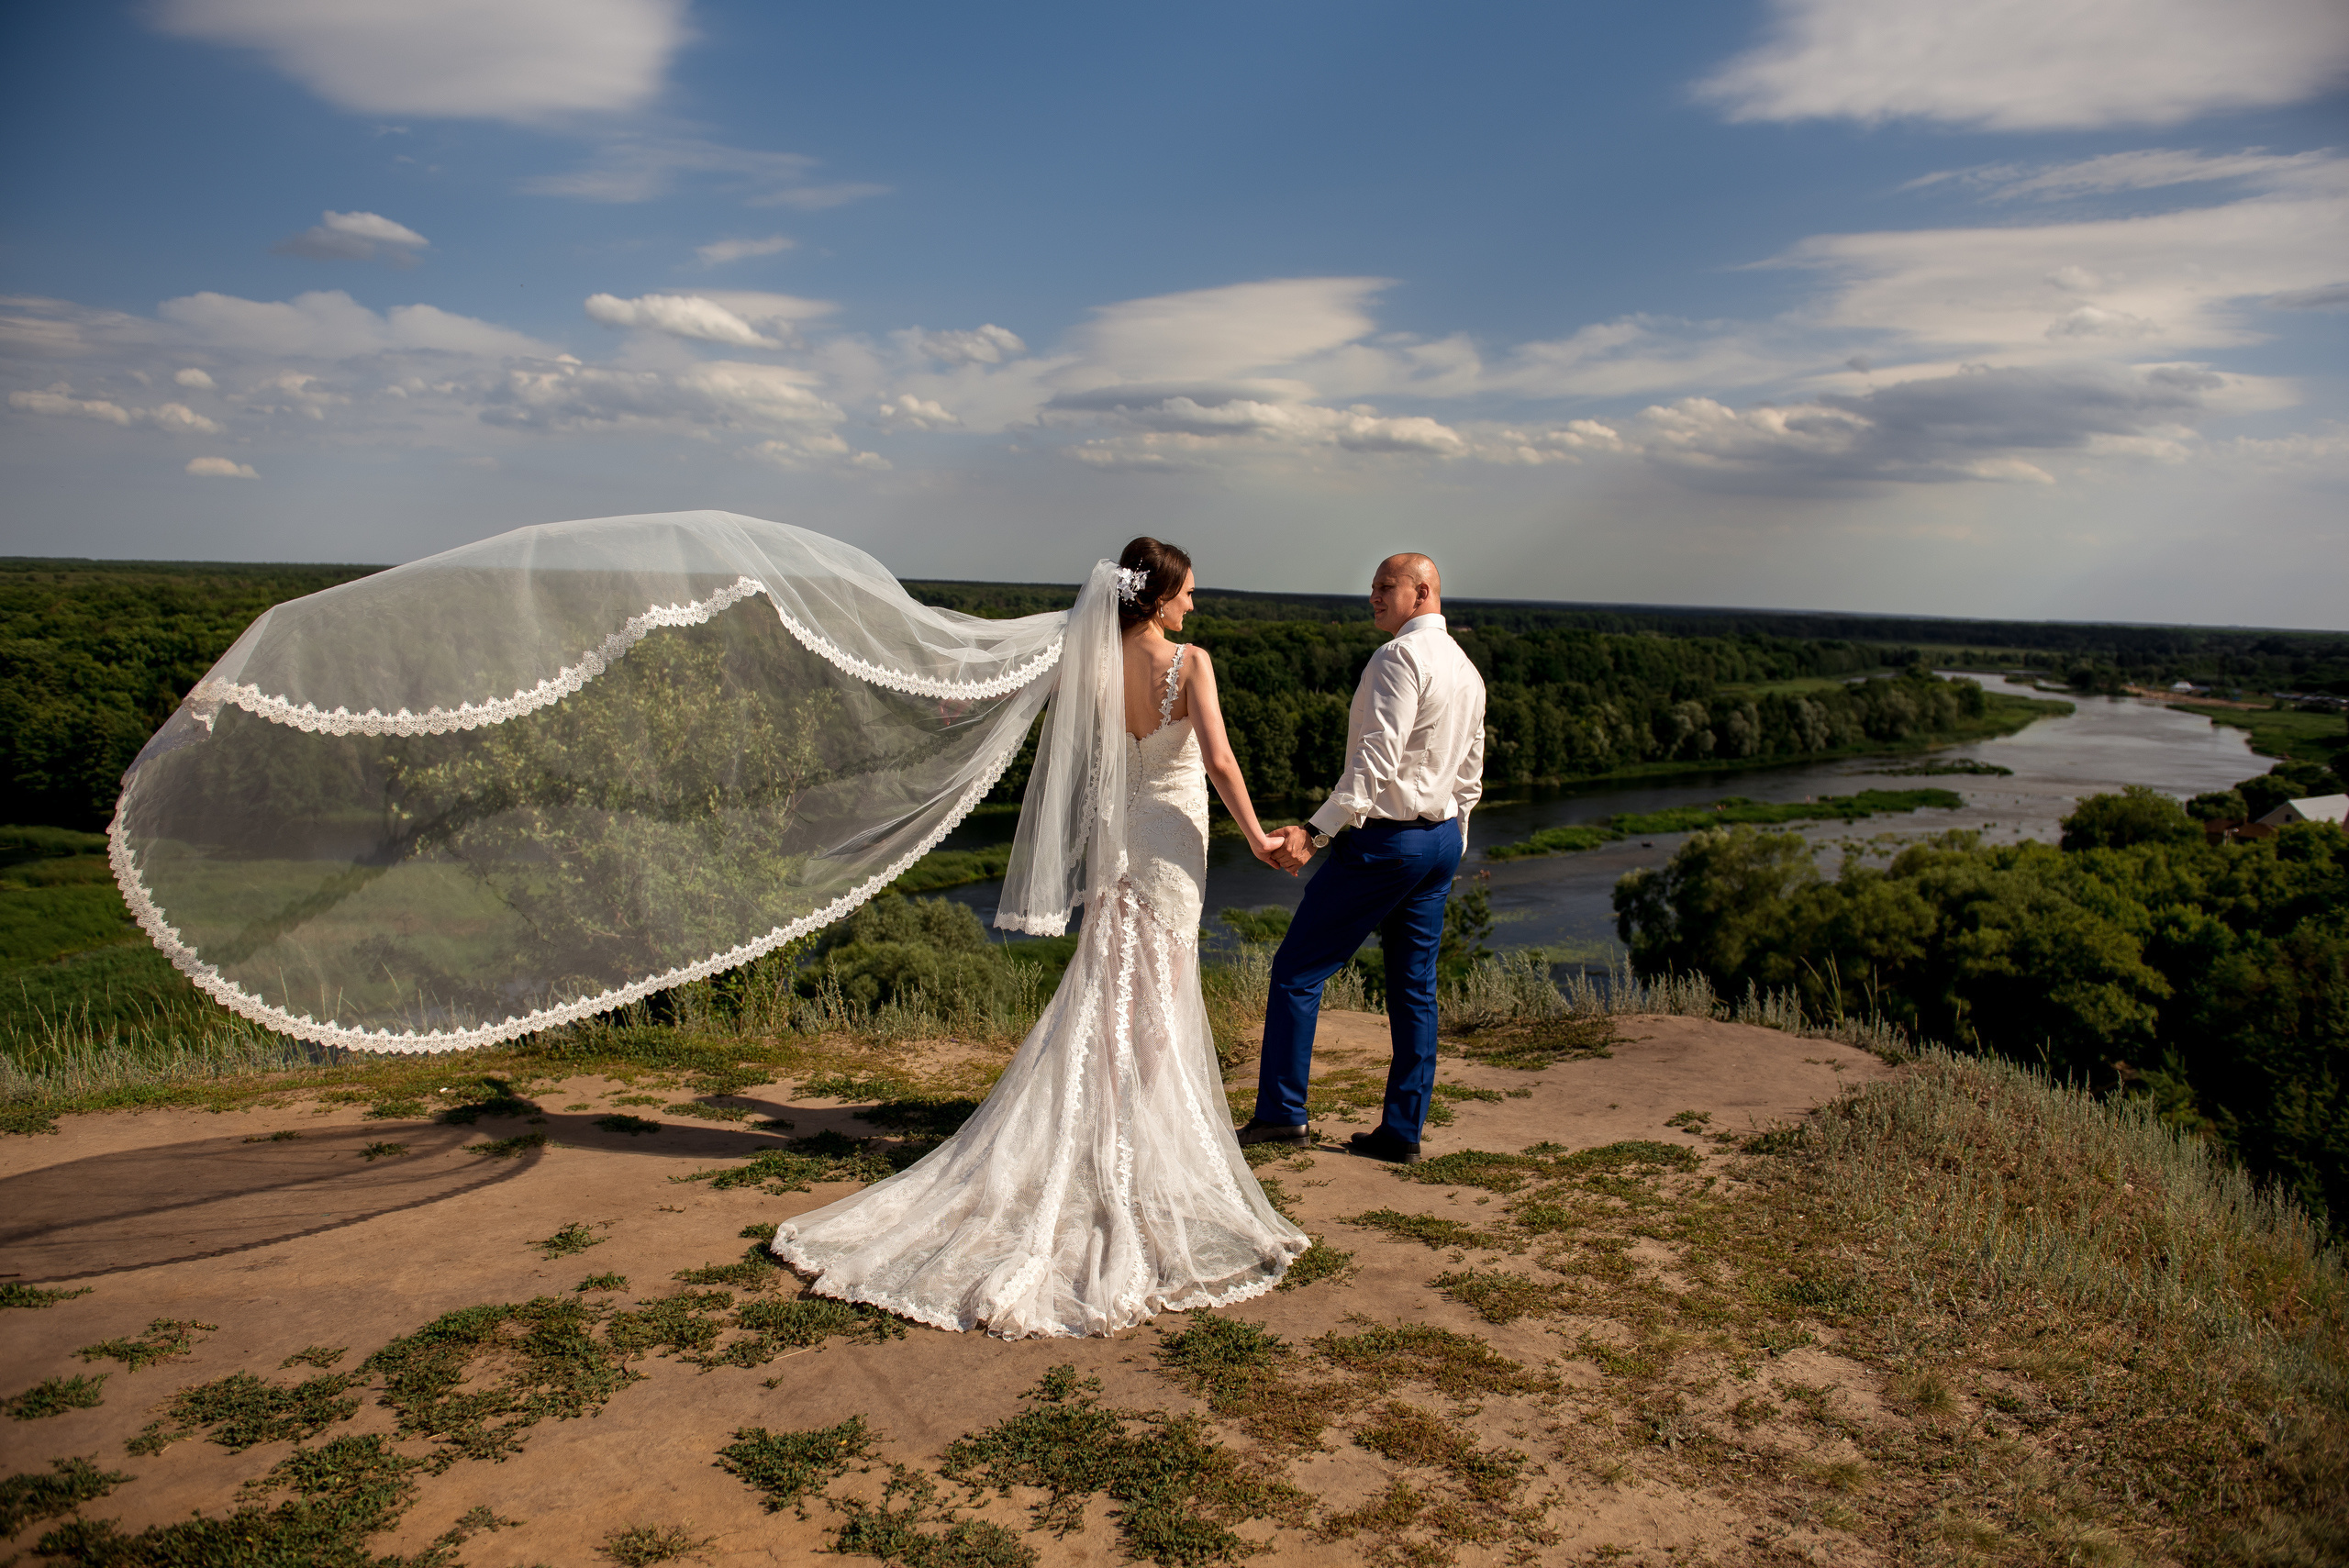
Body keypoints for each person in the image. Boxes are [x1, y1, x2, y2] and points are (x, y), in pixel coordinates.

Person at [772, 537, 1311, 1337]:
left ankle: (1110, 1130)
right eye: (1187, 591)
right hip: (1171, 834)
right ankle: (1140, 1141)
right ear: (1156, 596)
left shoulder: (1088, 658)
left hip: (1116, 838)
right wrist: (1262, 837)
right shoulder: (1190, 663)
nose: (1194, 603)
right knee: (1159, 986)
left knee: (1110, 980)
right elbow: (1222, 760)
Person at [1238, 552, 1486, 1165]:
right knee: (1414, 987)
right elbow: (1471, 773)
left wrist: (1314, 834)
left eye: (1386, 587)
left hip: (1388, 843)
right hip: (1437, 844)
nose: (1372, 596)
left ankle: (1281, 1115)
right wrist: (1456, 837)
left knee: (1298, 969)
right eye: (1373, 587)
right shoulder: (1465, 667)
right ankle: (1402, 1131)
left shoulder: (1399, 658)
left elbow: (1374, 763)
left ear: (1422, 590)